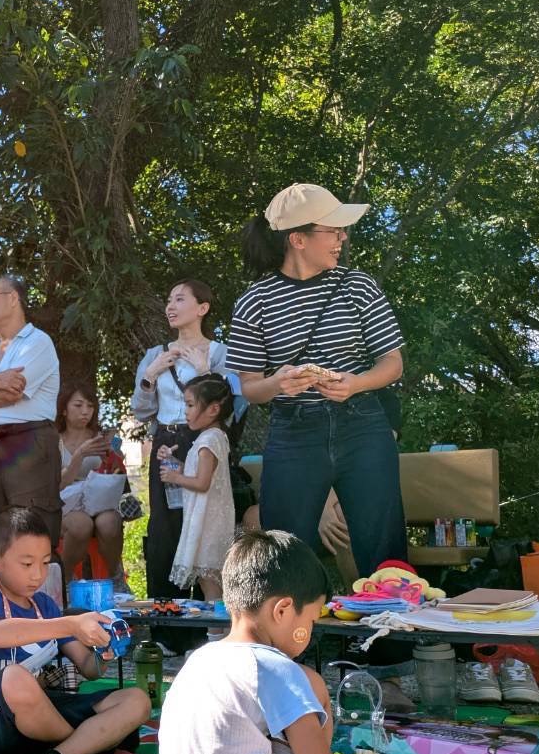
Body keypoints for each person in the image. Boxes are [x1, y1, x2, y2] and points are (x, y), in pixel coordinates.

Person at [84, 531, 475, 754]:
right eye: (312, 616)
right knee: (314, 686)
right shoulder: (281, 670)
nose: (312, 629)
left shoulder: (197, 659)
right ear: (283, 610)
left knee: (212, 746)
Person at [225, 183, 412, 709]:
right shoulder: (255, 300)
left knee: (383, 547)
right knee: (286, 548)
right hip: (294, 430)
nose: (343, 238)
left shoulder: (358, 286)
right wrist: (279, 382)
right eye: (333, 230)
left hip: (362, 424)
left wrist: (355, 382)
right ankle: (288, 671)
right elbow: (248, 384)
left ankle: (387, 673)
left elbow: (392, 363)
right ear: (298, 239)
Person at [0, 506, 151, 754]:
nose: (38, 574)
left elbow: (88, 668)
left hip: (43, 716)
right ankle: (88, 742)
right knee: (14, 678)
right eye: (27, 564)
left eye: (45, 563)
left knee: (136, 700)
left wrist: (102, 654)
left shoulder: (45, 606)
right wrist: (71, 624)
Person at [131, 279, 245, 600]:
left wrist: (205, 371)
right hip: (166, 442)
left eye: (180, 299)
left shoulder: (221, 353)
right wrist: (150, 375)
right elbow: (140, 412)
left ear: (202, 308)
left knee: (203, 525)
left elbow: (234, 408)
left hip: (204, 441)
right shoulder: (156, 354)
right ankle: (167, 629)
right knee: (165, 529)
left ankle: (210, 621)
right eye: (168, 299)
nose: (170, 306)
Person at [0, 274, 61, 547]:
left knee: (31, 531)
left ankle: (39, 591)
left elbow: (11, 395)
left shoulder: (37, 341)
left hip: (28, 442)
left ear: (12, 298)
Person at [159, 374, 235, 601]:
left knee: (210, 583)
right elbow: (198, 471)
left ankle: (217, 631)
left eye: (190, 405)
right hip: (209, 520)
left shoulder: (208, 441)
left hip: (207, 524)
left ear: (213, 409)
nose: (186, 411)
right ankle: (219, 630)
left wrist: (174, 476)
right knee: (210, 583)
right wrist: (175, 464)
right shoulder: (214, 437)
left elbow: (202, 483)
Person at [56, 380, 130, 593]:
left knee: (110, 522)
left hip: (98, 502)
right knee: (81, 525)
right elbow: (56, 484)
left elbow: (117, 477)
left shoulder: (100, 439)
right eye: (78, 406)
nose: (85, 412)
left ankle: (115, 575)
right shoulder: (54, 440)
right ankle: (66, 578)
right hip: (65, 504)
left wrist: (112, 458)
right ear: (63, 409)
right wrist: (79, 457)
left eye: (90, 406)